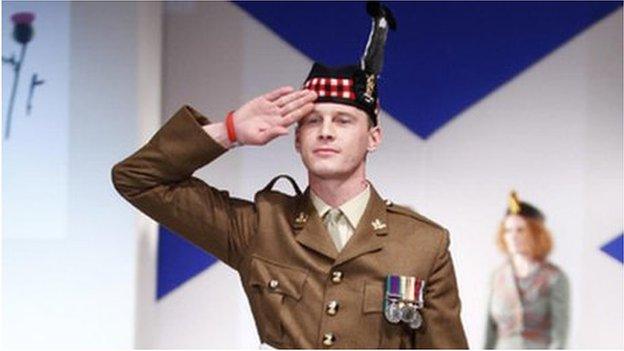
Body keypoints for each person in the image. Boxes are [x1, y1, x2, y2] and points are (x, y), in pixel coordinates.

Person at [112, 2, 467, 348]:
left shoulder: (423, 243)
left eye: (343, 121)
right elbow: (137, 178)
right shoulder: (261, 227)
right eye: (313, 121)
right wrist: (231, 130)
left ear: (373, 138)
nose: (326, 131)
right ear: (297, 139)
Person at [484, 191, 570, 349]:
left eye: (520, 230)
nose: (513, 236)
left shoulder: (554, 277)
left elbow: (559, 336)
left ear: (536, 233)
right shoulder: (498, 276)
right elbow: (489, 332)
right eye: (508, 230)